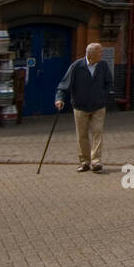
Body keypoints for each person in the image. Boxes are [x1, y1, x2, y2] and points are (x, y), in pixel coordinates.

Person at [55, 42, 113, 173]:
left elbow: (109, 82)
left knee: (97, 132)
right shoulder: (76, 66)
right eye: (99, 52)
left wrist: (104, 95)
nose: (102, 55)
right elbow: (63, 85)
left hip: (98, 106)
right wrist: (59, 99)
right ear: (90, 54)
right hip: (80, 106)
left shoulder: (103, 66)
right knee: (82, 135)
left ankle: (96, 161)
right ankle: (84, 161)